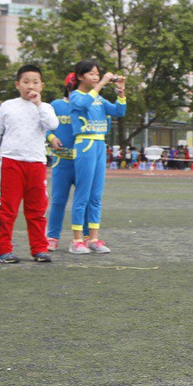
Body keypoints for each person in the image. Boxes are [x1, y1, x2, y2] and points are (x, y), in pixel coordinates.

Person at [0, 64, 59, 263]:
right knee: (8, 208)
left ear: (41, 85)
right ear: (18, 84)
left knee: (37, 209)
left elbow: (52, 125)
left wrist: (39, 104)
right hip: (11, 162)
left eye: (35, 82)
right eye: (26, 82)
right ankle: (2, 249)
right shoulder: (8, 106)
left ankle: (39, 248)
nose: (30, 86)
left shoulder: (46, 108)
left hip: (36, 163)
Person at [67, 60, 127, 254]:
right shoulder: (76, 95)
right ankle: (76, 240)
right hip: (85, 144)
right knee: (82, 193)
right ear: (80, 76)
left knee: (96, 195)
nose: (95, 77)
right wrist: (101, 83)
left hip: (100, 145)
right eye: (91, 74)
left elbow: (119, 111)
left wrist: (121, 92)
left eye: (97, 74)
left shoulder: (100, 100)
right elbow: (84, 103)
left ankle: (93, 238)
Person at [45, 73, 88, 251]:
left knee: (84, 200)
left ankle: (86, 236)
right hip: (61, 162)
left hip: (83, 161)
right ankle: (52, 236)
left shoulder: (86, 105)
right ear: (69, 86)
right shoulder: (56, 105)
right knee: (58, 200)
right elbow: (45, 127)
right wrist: (52, 136)